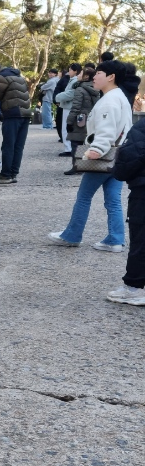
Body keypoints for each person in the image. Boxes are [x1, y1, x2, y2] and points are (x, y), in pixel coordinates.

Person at [47, 60, 134, 252]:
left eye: (99, 73)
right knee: (113, 200)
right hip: (118, 155)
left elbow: (106, 130)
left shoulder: (109, 100)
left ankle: (72, 235)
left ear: (111, 77)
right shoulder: (119, 96)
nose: (94, 76)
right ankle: (115, 239)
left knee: (84, 196)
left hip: (103, 156)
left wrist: (96, 150)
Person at [110, 109, 145, 304]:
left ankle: (134, 287)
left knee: (141, 239)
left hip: (143, 191)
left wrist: (118, 170)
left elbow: (128, 160)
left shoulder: (142, 127)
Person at [0, 62, 32, 183]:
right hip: (25, 114)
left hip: (12, 114)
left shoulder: (2, 77)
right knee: (18, 146)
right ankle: (13, 173)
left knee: (8, 145)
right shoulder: (18, 76)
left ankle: (5, 175)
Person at [55, 64, 99, 172]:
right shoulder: (95, 88)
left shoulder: (79, 89)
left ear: (86, 76)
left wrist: (69, 122)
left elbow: (76, 107)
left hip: (80, 119)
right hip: (91, 117)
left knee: (76, 143)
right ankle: (87, 166)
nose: (78, 75)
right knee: (88, 142)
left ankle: (76, 167)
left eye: (81, 73)